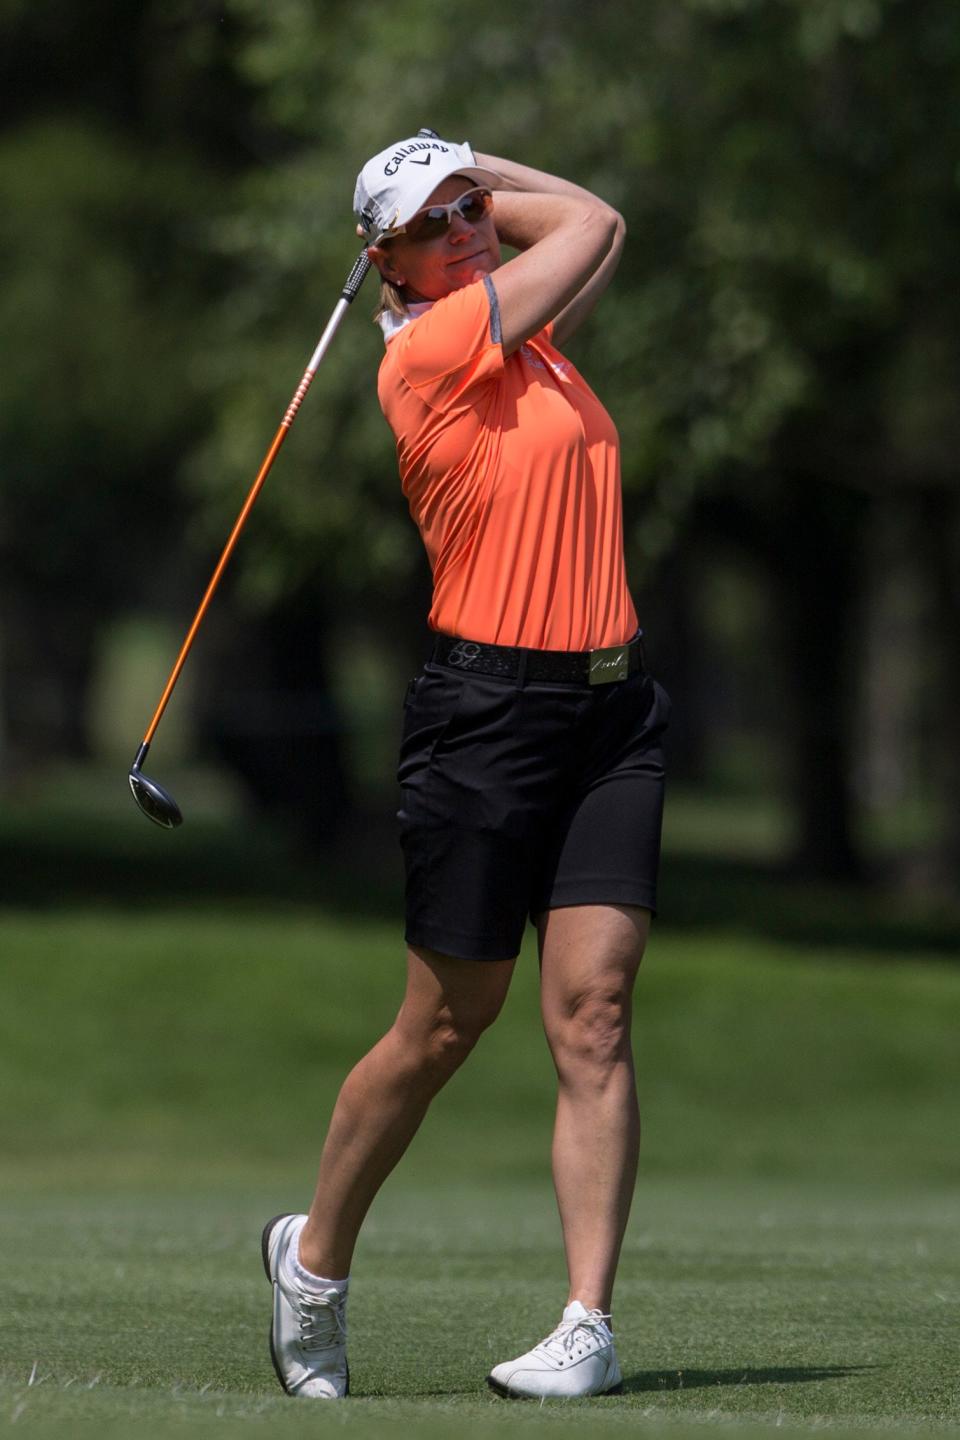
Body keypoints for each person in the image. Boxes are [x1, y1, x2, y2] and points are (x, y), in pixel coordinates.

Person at [262, 132, 670, 1402]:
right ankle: (314, 1262)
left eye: (475, 211)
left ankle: (586, 1326)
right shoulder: (437, 351)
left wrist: (461, 166)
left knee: (593, 1018)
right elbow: (594, 222)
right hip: (485, 715)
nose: (473, 229)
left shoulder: (526, 343)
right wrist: (464, 161)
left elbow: (588, 219)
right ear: (388, 265)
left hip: (611, 714)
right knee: (446, 1024)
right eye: (439, 224)